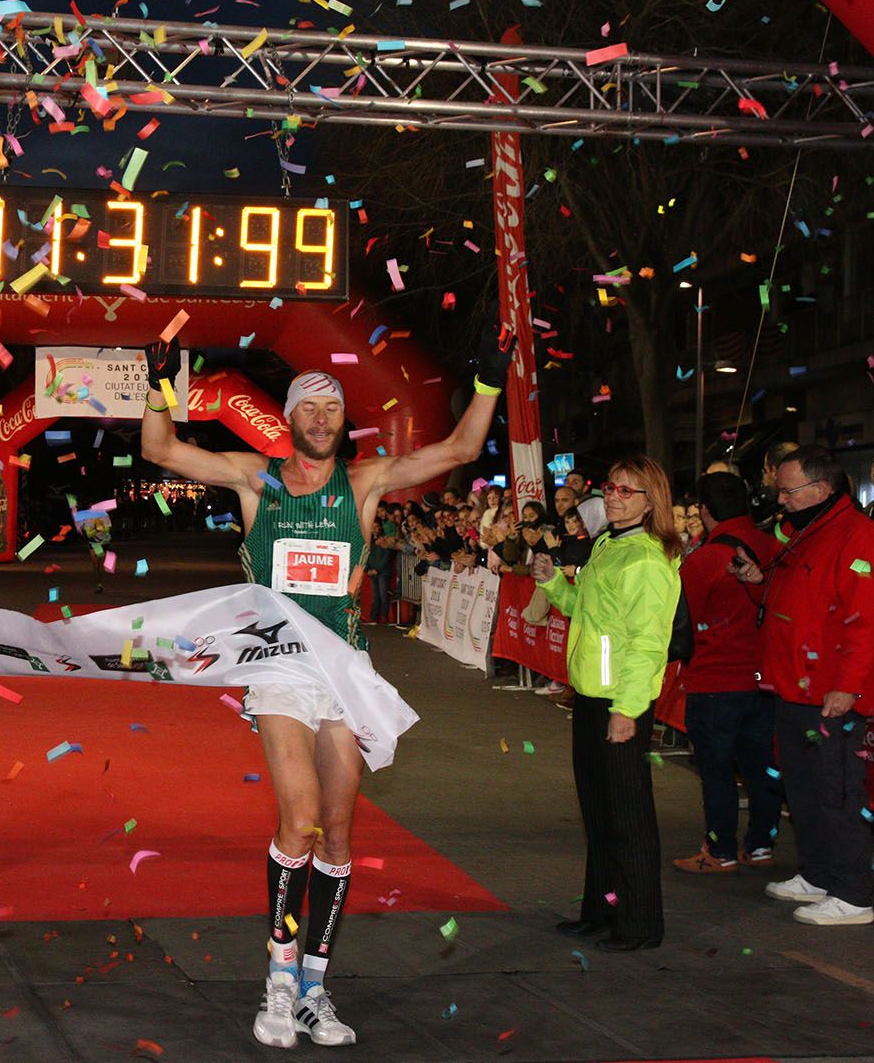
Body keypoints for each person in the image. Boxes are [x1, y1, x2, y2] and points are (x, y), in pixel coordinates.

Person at [141, 335, 504, 1048]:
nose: (319, 415)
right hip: (279, 666)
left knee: (337, 833)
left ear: (343, 420)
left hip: (345, 667)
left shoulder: (364, 483)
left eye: (330, 406)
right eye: (308, 405)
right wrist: (160, 387)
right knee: (301, 817)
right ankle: (277, 977)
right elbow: (162, 450)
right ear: (289, 416)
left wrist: (488, 380)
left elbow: (460, 451)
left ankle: (314, 986)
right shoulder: (257, 477)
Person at [730, 445, 874, 925]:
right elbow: (788, 602)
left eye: (787, 490)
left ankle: (853, 893)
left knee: (838, 794)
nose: (780, 499)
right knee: (802, 790)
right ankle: (819, 874)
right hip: (793, 687)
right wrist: (758, 580)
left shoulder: (856, 537)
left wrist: (848, 688)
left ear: (820, 489)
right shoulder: (805, 533)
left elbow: (866, 623)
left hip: (830, 694)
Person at [533, 455, 683, 951]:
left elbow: (647, 643)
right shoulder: (607, 544)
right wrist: (554, 583)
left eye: (627, 490)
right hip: (594, 699)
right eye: (611, 487)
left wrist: (628, 708)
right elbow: (587, 612)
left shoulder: (645, 559)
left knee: (628, 818)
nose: (614, 496)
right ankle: (601, 909)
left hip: (620, 702)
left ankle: (638, 922)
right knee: (598, 814)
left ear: (650, 502)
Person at [669, 472, 784, 875]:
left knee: (717, 772)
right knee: (760, 767)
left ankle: (720, 850)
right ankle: (761, 844)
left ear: (704, 509)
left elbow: (683, 621)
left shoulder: (703, 560)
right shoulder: (772, 548)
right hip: (762, 679)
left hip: (715, 681)